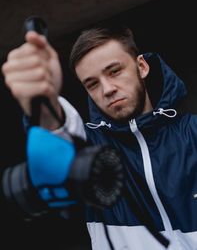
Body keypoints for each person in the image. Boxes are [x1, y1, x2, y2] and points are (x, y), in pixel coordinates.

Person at [2, 23, 197, 250]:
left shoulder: (193, 132)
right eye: (92, 84)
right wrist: (43, 101)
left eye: (114, 71)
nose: (107, 89)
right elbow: (59, 141)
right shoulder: (90, 148)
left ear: (142, 67)